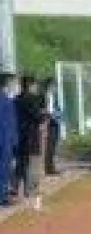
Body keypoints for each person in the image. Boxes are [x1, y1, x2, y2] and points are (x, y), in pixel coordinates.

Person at [13, 75, 46, 210]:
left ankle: (14, 187)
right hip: (31, 135)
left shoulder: (16, 99)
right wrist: (45, 115)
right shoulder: (31, 99)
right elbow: (37, 117)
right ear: (31, 85)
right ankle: (30, 189)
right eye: (35, 85)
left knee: (20, 162)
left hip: (19, 134)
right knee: (32, 163)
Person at [0, 72, 16, 207]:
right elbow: (9, 123)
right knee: (4, 169)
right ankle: (3, 196)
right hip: (4, 140)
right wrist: (14, 141)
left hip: (5, 138)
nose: (13, 86)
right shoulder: (6, 101)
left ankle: (4, 195)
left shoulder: (7, 100)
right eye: (12, 83)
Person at [42, 76, 62, 176]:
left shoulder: (52, 95)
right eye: (54, 85)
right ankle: (49, 168)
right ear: (50, 85)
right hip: (51, 123)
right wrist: (55, 116)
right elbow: (49, 111)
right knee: (50, 145)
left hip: (55, 122)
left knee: (52, 145)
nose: (56, 87)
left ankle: (50, 166)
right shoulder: (48, 95)